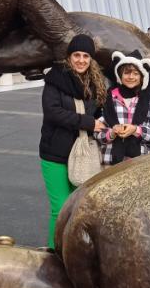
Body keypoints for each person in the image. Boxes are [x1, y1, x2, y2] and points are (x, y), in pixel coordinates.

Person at [39, 34, 106, 248]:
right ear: (69, 57)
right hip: (55, 153)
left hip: (83, 154)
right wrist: (88, 123)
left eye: (86, 56)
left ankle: (72, 252)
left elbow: (100, 112)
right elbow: (53, 112)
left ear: (91, 59)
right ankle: (53, 251)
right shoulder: (55, 79)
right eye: (76, 55)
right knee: (60, 208)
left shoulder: (95, 83)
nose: (81, 60)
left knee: (78, 208)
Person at [95, 50, 150, 166]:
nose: (131, 77)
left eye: (136, 73)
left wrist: (136, 130)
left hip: (141, 163)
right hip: (110, 163)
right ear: (120, 75)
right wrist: (112, 133)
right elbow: (97, 133)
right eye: (127, 73)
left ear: (142, 77)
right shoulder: (107, 98)